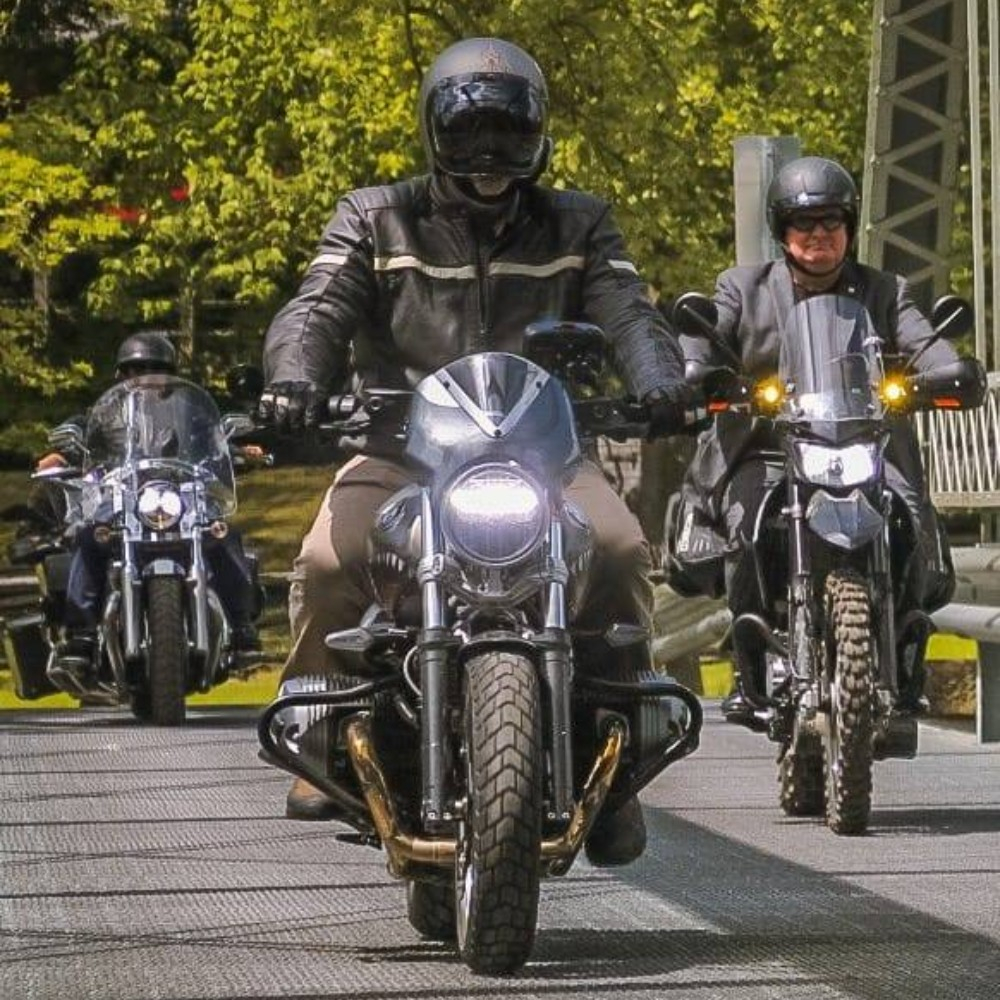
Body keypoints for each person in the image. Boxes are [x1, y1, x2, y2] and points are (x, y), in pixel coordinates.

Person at [256, 37, 691, 863]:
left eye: (507, 130)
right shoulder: (375, 216)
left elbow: (630, 310)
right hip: (401, 450)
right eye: (469, 130)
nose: (489, 152)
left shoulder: (579, 220)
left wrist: (660, 377)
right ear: (434, 130)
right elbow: (316, 307)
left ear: (539, 132)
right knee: (327, 559)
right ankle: (320, 728)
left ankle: (621, 755)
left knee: (619, 548)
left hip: (542, 454)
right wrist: (293, 379)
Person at [676, 155, 968, 730]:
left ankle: (907, 656)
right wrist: (699, 370)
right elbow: (707, 336)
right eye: (804, 223)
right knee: (745, 524)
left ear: (849, 228)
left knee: (909, 518)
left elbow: (924, 342)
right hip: (769, 445)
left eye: (832, 221)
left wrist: (947, 371)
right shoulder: (743, 287)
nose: (819, 234)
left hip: (864, 442)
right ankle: (750, 667)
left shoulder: (885, 290)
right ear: (782, 231)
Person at [48, 331, 261, 674]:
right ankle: (81, 633)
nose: (145, 376)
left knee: (222, 533)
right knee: (90, 535)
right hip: (121, 497)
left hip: (180, 495)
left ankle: (242, 628)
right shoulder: (104, 411)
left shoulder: (188, 411)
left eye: (155, 368)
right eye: (136, 369)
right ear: (121, 374)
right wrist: (61, 453)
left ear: (170, 373)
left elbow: (210, 440)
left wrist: (238, 451)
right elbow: (82, 436)